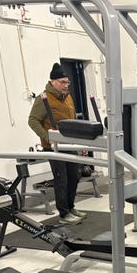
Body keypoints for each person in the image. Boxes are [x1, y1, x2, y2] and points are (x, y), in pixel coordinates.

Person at [28, 63, 86, 225]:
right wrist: (46, 137)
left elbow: (73, 121)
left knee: (74, 177)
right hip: (53, 147)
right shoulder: (43, 98)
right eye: (62, 82)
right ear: (52, 82)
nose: (66, 85)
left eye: (67, 82)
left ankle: (70, 207)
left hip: (69, 145)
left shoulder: (68, 97)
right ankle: (64, 214)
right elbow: (33, 120)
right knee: (62, 180)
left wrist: (80, 143)